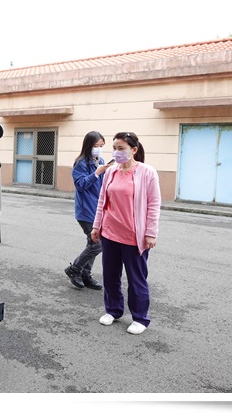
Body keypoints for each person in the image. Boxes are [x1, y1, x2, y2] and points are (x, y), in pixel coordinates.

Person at [91, 132, 161, 335]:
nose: (116, 152)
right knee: (110, 275)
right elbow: (102, 201)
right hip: (110, 233)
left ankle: (140, 317)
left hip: (133, 236)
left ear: (134, 150)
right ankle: (113, 310)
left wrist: (151, 232)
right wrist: (97, 226)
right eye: (114, 148)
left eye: (121, 148)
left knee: (136, 278)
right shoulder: (111, 172)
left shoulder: (147, 172)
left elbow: (154, 204)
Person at [64, 131, 113, 290]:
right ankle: (75, 269)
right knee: (98, 244)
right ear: (88, 145)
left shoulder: (101, 160)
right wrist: (97, 172)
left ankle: (86, 274)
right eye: (95, 146)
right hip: (86, 211)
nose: (98, 149)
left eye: (101, 146)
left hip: (99, 210)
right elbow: (81, 185)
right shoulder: (81, 163)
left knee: (91, 243)